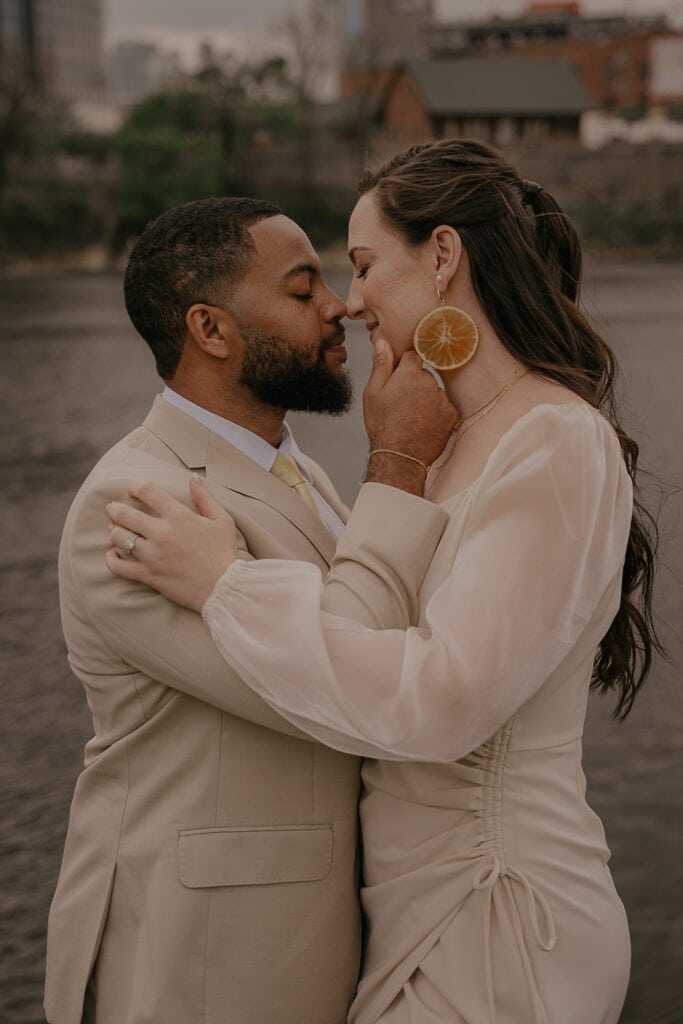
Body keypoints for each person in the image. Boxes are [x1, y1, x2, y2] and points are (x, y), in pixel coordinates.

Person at [106, 140, 661, 1024]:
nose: (350, 299)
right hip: (413, 902)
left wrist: (226, 586)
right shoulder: (453, 441)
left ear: (441, 256)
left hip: (492, 909)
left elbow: (442, 700)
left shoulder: (552, 439)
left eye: (364, 265)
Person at [44, 195, 458, 1024]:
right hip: (203, 951)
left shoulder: (298, 476)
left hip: (306, 937)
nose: (339, 305)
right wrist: (400, 464)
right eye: (304, 292)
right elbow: (334, 679)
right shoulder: (138, 500)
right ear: (211, 330)